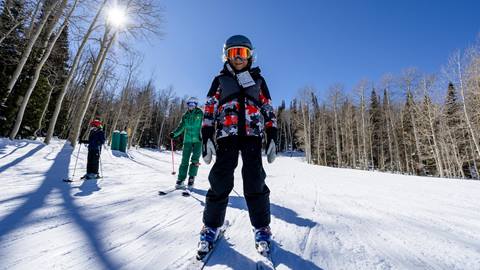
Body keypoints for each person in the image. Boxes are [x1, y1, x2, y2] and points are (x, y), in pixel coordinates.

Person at [197, 34, 278, 258]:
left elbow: (268, 109)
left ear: (250, 56)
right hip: (226, 136)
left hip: (252, 136)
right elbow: (210, 108)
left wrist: (272, 133)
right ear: (227, 56)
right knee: (220, 180)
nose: (239, 58)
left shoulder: (258, 81)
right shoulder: (220, 80)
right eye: (234, 53)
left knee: (255, 180)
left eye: (243, 53)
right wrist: (206, 134)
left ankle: (262, 228)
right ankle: (211, 226)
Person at [169, 97, 203, 189]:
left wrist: (206, 135)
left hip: (198, 140)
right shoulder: (185, 116)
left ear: (196, 105)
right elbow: (181, 127)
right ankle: (180, 180)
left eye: (193, 104)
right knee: (184, 160)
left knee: (195, 160)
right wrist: (174, 134)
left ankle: (191, 179)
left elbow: (205, 124)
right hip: (187, 140)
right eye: (189, 104)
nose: (190, 106)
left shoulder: (200, 113)